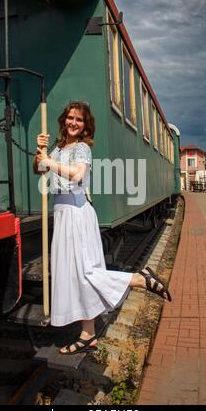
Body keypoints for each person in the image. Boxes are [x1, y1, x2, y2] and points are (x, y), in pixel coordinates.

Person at [34, 101, 171, 355]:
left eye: (80, 120)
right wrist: (40, 151)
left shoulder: (83, 149)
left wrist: (50, 163)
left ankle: (140, 279)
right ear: (64, 120)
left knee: (87, 272)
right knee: (74, 274)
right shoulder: (60, 147)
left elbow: (78, 176)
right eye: (70, 118)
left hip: (77, 214)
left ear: (86, 126)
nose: (74, 123)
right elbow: (38, 169)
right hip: (63, 214)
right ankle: (88, 334)